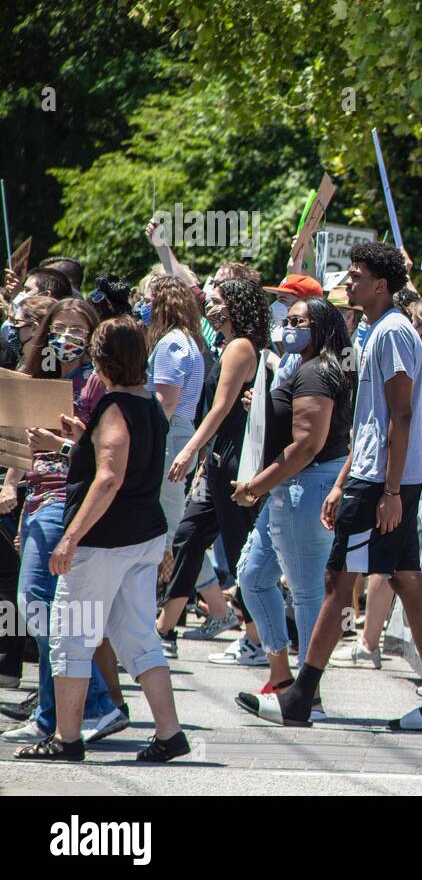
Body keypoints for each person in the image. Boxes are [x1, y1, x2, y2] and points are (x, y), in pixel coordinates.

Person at [238, 240, 422, 731]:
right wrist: (343, 481)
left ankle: (301, 697)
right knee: (404, 577)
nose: (348, 281)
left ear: (381, 284)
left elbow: (402, 413)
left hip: (383, 481)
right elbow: (370, 421)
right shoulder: (376, 330)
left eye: (356, 275)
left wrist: (391, 491)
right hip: (370, 475)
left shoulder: (394, 332)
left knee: (339, 583)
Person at [14, 317, 189, 762]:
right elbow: (118, 460)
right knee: (137, 637)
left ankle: (67, 739)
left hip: (104, 543)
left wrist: (69, 538)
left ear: (102, 361)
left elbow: (109, 478)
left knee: (71, 636)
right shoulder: (147, 401)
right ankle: (170, 734)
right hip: (142, 536)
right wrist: (73, 441)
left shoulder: (113, 406)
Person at [0, 298, 127, 746]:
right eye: (59, 328)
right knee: (49, 607)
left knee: (36, 600)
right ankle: (52, 714)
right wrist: (12, 485)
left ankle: (95, 704)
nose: (66, 337)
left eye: (78, 329)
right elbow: (22, 443)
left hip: (66, 499)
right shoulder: (39, 379)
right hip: (39, 498)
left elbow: (97, 451)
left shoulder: (95, 383)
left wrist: (64, 438)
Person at [231, 298, 354, 704]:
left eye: (297, 321)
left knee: (305, 592)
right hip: (292, 487)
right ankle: (283, 679)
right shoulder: (304, 367)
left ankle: (306, 693)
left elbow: (306, 446)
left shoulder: (317, 372)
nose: (288, 327)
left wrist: (256, 486)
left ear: (318, 326)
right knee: (251, 575)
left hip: (306, 485)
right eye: (287, 320)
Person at [156, 277, 269, 652]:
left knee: (239, 551)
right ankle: (163, 629)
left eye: (219, 300)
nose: (209, 305)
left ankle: (256, 638)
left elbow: (220, 408)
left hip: (234, 461)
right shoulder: (228, 345)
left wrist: (189, 451)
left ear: (236, 305)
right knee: (188, 536)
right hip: (217, 459)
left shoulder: (240, 347)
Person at [142, 275, 208, 577]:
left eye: (148, 302)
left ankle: (160, 592)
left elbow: (165, 401)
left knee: (166, 524)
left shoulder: (171, 344)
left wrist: (144, 439)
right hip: (180, 433)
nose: (144, 308)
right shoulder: (188, 341)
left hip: (169, 435)